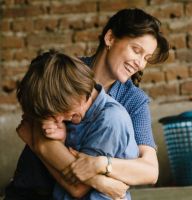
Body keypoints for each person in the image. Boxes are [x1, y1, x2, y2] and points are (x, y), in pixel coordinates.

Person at [4, 7, 169, 200]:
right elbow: (38, 134)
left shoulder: (133, 101)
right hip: (32, 190)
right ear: (110, 38)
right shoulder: (66, 72)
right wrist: (101, 181)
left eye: (146, 58)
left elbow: (150, 170)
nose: (140, 64)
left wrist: (101, 165)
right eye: (136, 50)